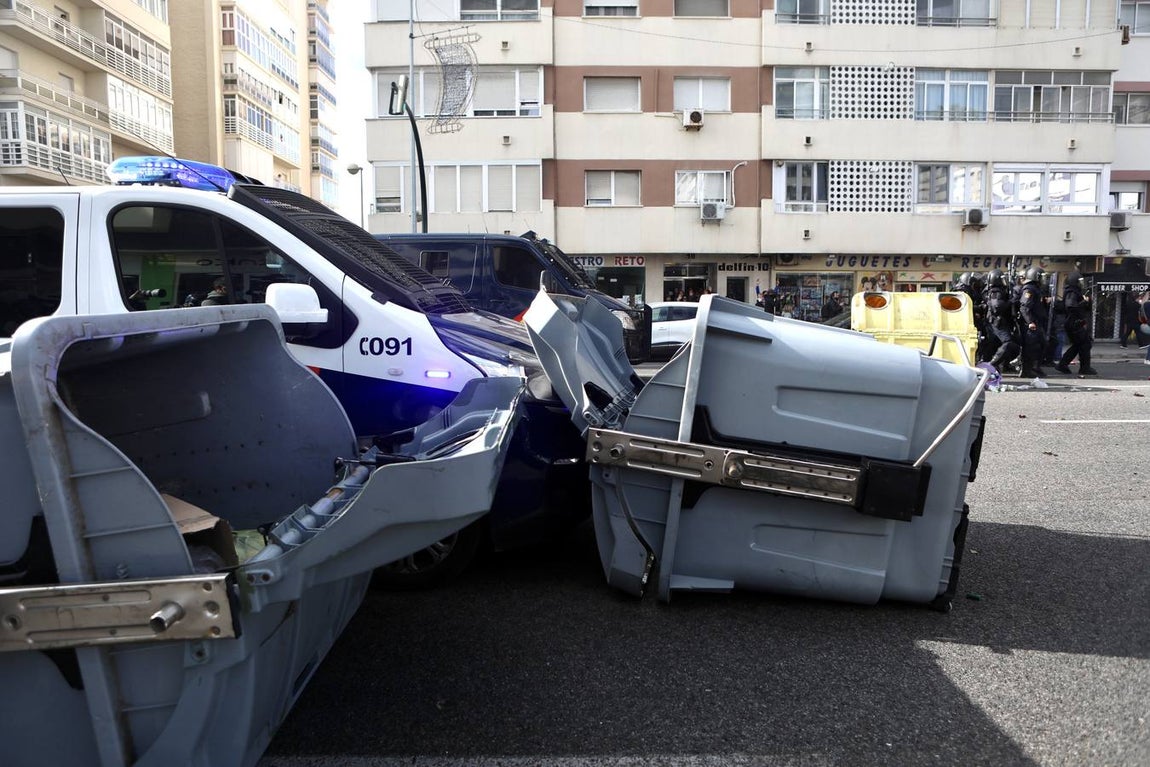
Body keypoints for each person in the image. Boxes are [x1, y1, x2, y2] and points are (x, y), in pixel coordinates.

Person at [1055, 271, 1097, 376]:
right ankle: (1084, 368)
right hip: (1074, 323)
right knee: (1084, 344)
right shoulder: (1072, 292)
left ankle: (1064, 364)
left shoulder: (1074, 291)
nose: (1081, 283)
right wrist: (1083, 302)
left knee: (1079, 345)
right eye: (1080, 281)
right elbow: (1070, 306)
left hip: (1074, 322)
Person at [983, 269, 1020, 373]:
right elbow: (997, 306)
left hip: (998, 321)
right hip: (996, 321)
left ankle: (999, 365)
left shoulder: (999, 290)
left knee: (994, 344)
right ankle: (993, 363)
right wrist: (1011, 301)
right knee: (1007, 342)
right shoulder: (996, 291)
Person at [1017, 267, 1049, 378]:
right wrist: (1030, 322)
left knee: (1041, 345)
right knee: (1030, 348)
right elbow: (1024, 308)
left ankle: (1035, 368)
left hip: (1037, 323)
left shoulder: (1036, 289)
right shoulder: (1029, 289)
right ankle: (1027, 370)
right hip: (1031, 325)